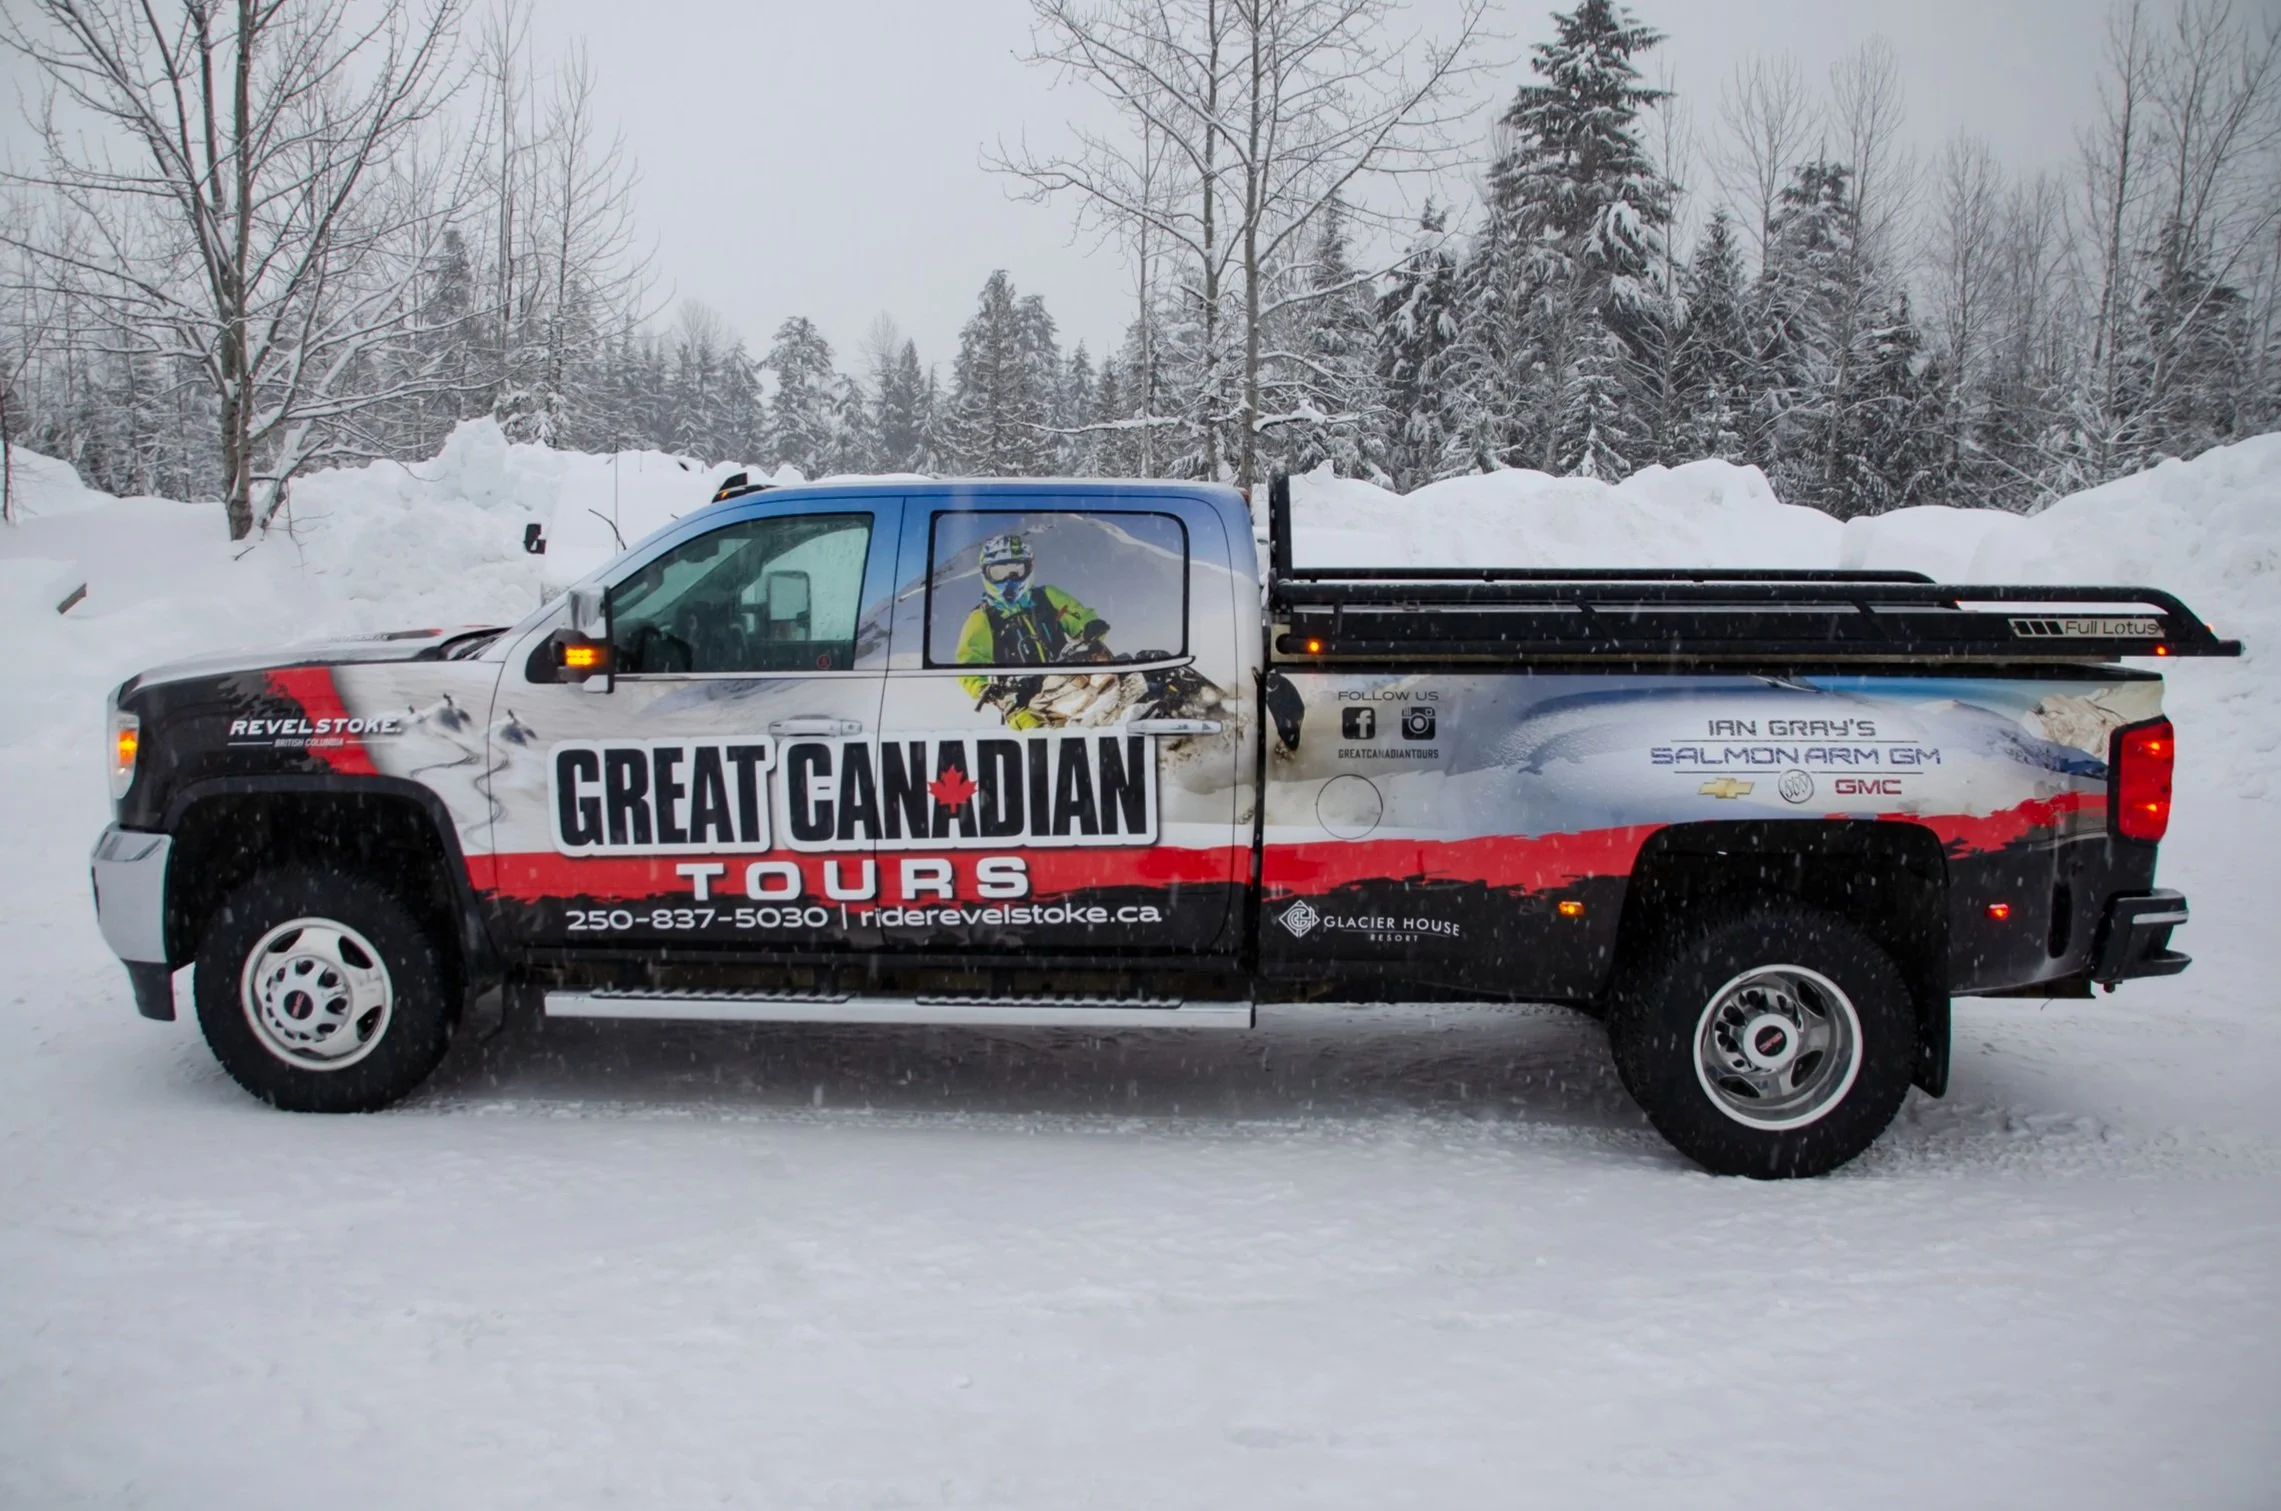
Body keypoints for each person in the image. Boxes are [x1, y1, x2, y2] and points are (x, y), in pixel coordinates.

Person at [955, 531, 1109, 728]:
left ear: (1029, 567)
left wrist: (1090, 627)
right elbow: (969, 664)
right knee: (1037, 738)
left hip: (1066, 678)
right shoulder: (981, 618)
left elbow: (1078, 615)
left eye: (1016, 570)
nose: (1009, 581)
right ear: (986, 574)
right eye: (999, 573)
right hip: (1020, 697)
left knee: (1113, 694)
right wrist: (985, 688)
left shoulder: (1047, 597)